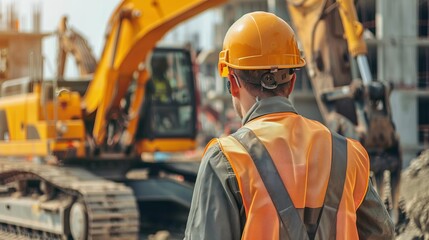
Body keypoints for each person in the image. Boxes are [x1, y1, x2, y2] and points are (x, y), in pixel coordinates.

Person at [184, 11, 394, 240]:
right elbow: (381, 232)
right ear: (292, 82)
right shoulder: (348, 155)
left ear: (233, 83)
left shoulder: (226, 159)